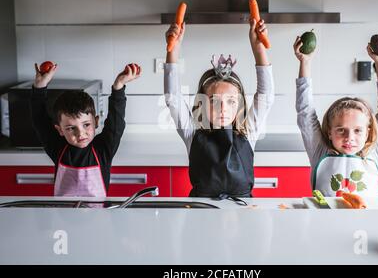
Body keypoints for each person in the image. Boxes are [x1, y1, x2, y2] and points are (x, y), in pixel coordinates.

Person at [164, 19, 274, 198]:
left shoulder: (248, 132)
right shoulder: (192, 134)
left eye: (231, 101)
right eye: (215, 101)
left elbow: (266, 96)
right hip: (202, 213)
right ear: (202, 104)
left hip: (242, 215)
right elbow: (173, 98)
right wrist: (173, 51)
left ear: (238, 105)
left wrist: (259, 49)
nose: (223, 109)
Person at [294, 36, 378, 196]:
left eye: (357, 130)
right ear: (329, 132)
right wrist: (304, 62)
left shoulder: (374, 152)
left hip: (367, 221)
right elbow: (305, 113)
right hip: (324, 221)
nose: (349, 138)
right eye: (341, 130)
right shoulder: (320, 152)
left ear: (368, 132)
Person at [30, 63, 140, 197]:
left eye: (86, 125)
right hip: (63, 215)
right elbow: (39, 120)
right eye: (71, 128)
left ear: (96, 122)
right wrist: (39, 87)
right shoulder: (57, 147)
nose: (80, 133)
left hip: (98, 216)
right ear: (60, 130)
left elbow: (116, 123)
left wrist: (118, 87)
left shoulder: (103, 149)